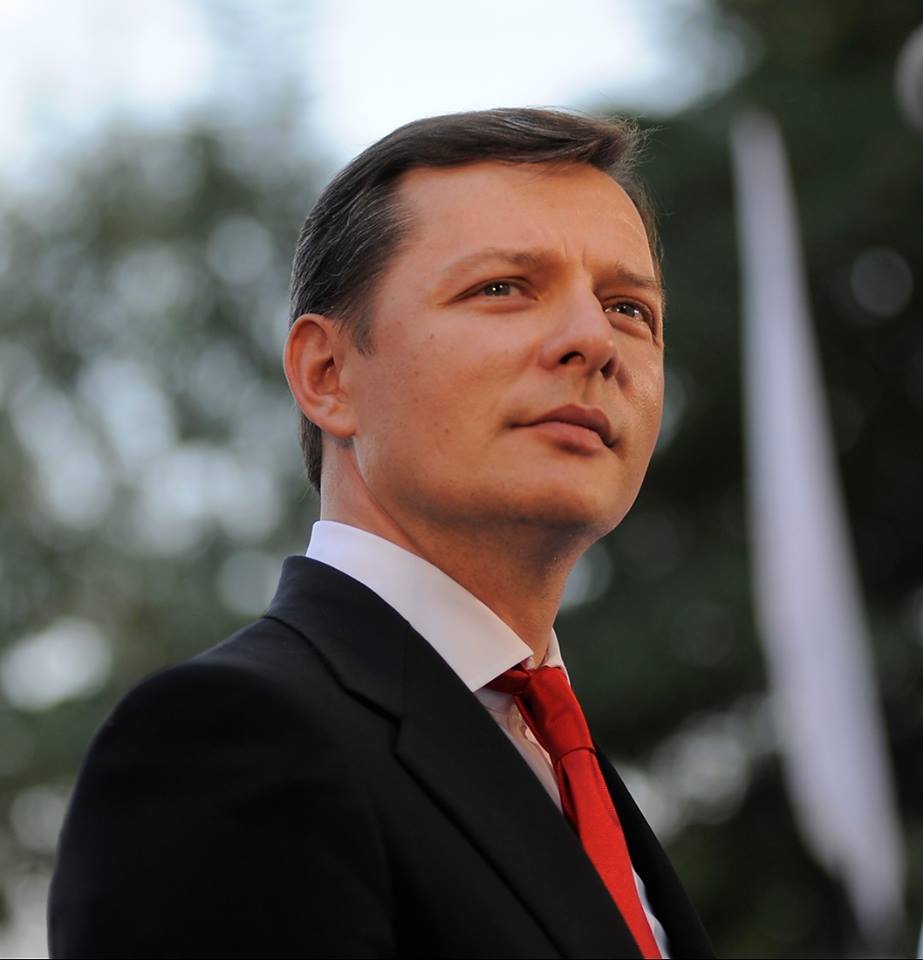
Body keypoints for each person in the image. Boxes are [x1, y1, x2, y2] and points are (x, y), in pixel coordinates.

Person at [48, 108, 714, 959]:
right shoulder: (227, 740)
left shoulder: (561, 764)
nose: (593, 340)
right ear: (328, 376)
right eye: (502, 288)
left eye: (628, 307)